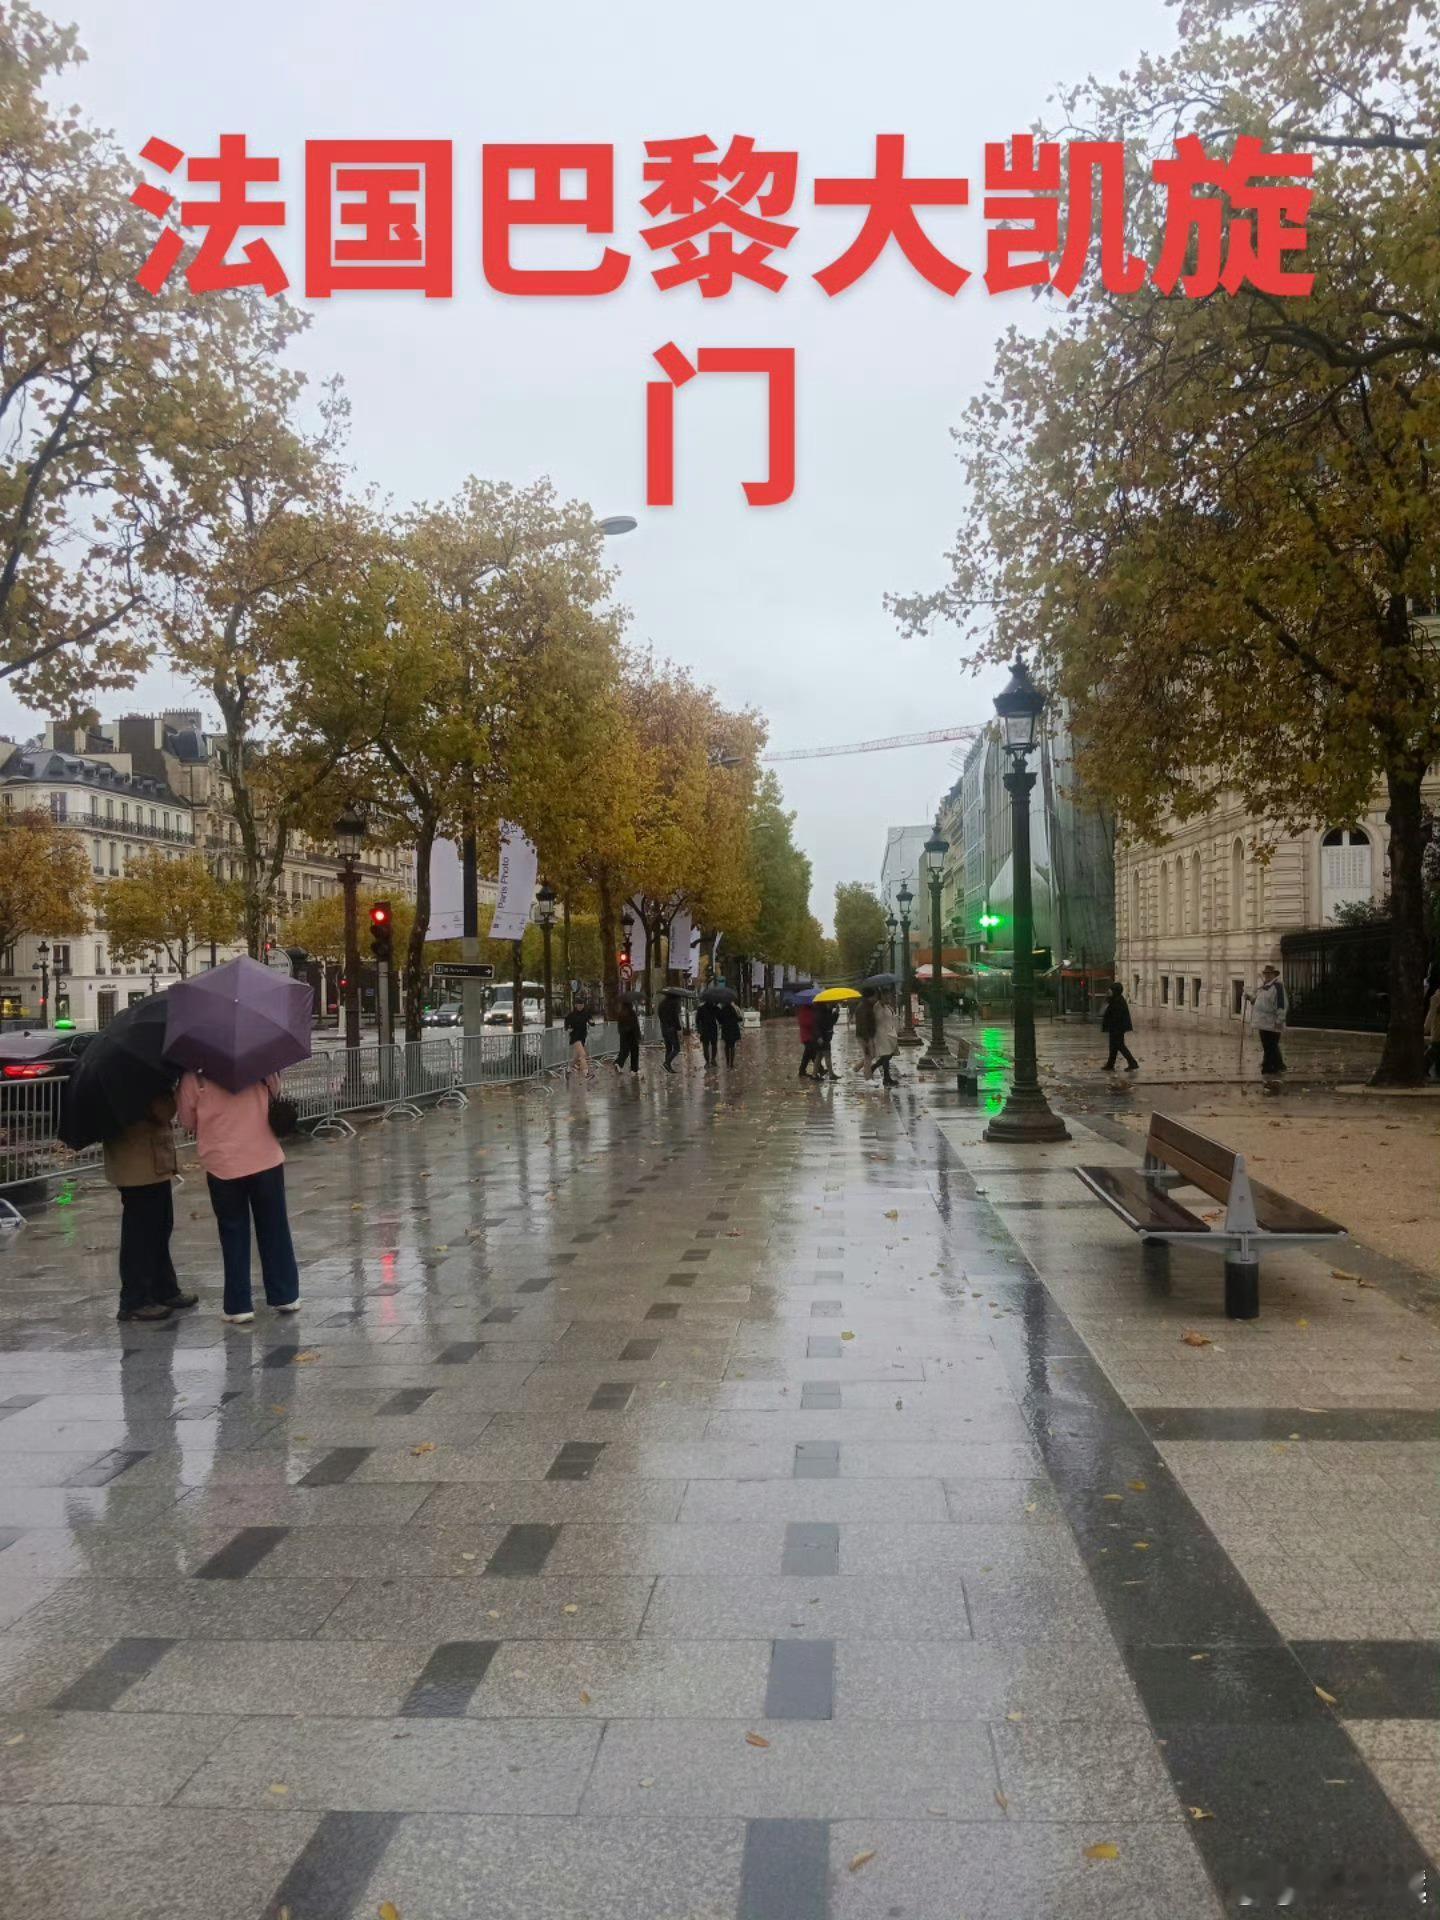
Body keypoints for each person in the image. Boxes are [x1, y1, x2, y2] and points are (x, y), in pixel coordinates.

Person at [175, 1070, 300, 1326]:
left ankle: (238, 1306)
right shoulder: (259, 1063)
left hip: (222, 1162)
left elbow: (186, 1121)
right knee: (274, 1226)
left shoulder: (195, 1076)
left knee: (233, 1231)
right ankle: (285, 1295)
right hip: (264, 1157)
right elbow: (275, 1092)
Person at [103, 1092, 197, 1324]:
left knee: (160, 1226)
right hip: (139, 1164)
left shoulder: (129, 1077)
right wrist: (171, 1096)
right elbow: (162, 1110)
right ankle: (134, 1300)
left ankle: (164, 1288)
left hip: (149, 1161)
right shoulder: (132, 1081)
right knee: (141, 1232)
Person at [1247, 964, 1288, 1075]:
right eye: (1266, 974)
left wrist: (1280, 1020)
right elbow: (1260, 1001)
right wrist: (1251, 998)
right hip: (1263, 1022)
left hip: (1272, 1021)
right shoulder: (1264, 987)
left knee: (1271, 1045)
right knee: (1268, 1045)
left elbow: (1281, 1005)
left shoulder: (1278, 987)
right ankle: (1278, 1065)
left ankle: (1269, 1067)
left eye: (1270, 974)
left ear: (1274, 975)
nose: (1267, 976)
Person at [1100, 983, 1139, 1072]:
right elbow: (1104, 1010)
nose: (1109, 991)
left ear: (1115, 990)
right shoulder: (1114, 999)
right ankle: (1110, 1065)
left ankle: (1133, 1063)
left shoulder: (1118, 1001)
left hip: (1117, 1028)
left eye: (1110, 989)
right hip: (1114, 1027)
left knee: (1120, 1046)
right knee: (1113, 1047)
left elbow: (1116, 1016)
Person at [869, 995, 900, 1088]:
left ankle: (873, 1067)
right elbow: (876, 1019)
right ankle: (886, 1078)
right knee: (886, 1055)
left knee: (890, 1054)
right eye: (886, 997)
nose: (888, 999)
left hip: (891, 1034)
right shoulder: (876, 1007)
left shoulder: (888, 1007)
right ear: (881, 998)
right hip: (881, 1034)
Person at [564, 996, 592, 1076]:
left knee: (575, 1058)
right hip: (575, 1037)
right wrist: (568, 1028)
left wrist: (591, 1022)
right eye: (579, 1005)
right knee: (583, 1054)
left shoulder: (586, 1013)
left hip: (582, 1037)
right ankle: (586, 1073)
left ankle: (569, 1069)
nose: (580, 1006)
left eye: (582, 1005)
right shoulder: (571, 1015)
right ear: (575, 1005)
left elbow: (591, 1022)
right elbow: (566, 1024)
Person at [658, 989, 684, 1072]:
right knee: (677, 1048)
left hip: (664, 1027)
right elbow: (675, 1017)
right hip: (671, 1028)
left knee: (668, 1048)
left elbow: (660, 1015)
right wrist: (678, 1027)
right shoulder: (673, 1004)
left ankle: (668, 1067)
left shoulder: (661, 1004)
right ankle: (667, 1063)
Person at [853, 987, 877, 1076]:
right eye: (874, 996)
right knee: (868, 1055)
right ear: (869, 997)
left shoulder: (867, 1005)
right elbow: (862, 1024)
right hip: (864, 1035)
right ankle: (868, 1076)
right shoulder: (863, 1007)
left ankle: (857, 1068)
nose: (875, 998)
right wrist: (866, 1040)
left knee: (871, 1054)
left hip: (867, 1035)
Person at [614, 998, 641, 1076]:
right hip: (632, 1036)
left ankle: (619, 1063)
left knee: (624, 1052)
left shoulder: (621, 1013)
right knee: (634, 1052)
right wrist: (638, 1035)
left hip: (624, 1036)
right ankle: (634, 1069)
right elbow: (636, 1026)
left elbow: (620, 1027)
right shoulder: (632, 1013)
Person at [814, 999, 840, 1079]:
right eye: (830, 1003)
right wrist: (819, 1037)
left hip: (826, 1037)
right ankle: (831, 1074)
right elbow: (816, 1025)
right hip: (822, 1037)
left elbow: (831, 1022)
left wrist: (836, 1013)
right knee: (827, 1055)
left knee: (819, 1056)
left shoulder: (828, 1011)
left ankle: (814, 1074)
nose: (832, 1004)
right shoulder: (819, 1012)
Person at [795, 997, 819, 1077]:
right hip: (807, 1036)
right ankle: (820, 1069)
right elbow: (806, 1023)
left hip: (810, 1035)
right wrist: (815, 1021)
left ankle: (802, 1071)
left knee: (807, 1055)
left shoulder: (811, 1010)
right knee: (813, 1053)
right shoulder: (804, 1011)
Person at [696, 997, 720, 1069]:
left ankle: (708, 1062)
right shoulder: (715, 1008)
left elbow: (697, 1020)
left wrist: (699, 1029)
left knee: (706, 1046)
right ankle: (712, 1060)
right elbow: (720, 1018)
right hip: (711, 1028)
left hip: (705, 1029)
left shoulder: (701, 1008)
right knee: (713, 1045)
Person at [718, 998, 742, 1068]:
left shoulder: (722, 1010)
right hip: (733, 1029)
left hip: (726, 1030)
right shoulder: (734, 1009)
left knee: (727, 1046)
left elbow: (720, 1021)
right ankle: (731, 1064)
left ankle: (727, 1063)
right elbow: (738, 1019)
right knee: (732, 1046)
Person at [1425, 982, 1440, 1081]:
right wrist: (1426, 1027)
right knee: (1435, 1049)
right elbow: (1432, 1013)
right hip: (1438, 1030)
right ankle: (1423, 1069)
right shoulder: (1436, 997)